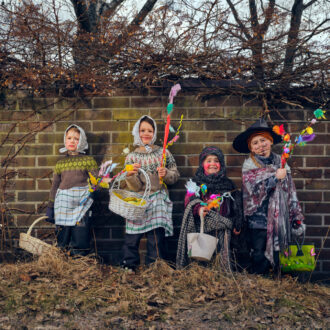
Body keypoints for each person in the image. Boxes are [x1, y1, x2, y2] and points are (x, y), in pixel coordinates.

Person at [232, 118, 305, 275]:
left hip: (279, 219)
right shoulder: (249, 167)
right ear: (251, 148)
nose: (260, 145)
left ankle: (277, 288)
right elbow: (253, 193)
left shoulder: (282, 162)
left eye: (263, 140)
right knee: (259, 255)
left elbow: (291, 191)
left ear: (271, 141)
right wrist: (274, 178)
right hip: (258, 220)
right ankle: (260, 287)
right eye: (255, 143)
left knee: (280, 255)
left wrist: (296, 215)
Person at [120, 115, 180, 271]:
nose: (146, 133)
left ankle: (155, 265)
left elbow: (175, 176)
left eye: (150, 130)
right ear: (137, 132)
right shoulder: (132, 157)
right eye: (142, 130)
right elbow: (135, 187)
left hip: (158, 196)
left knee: (156, 236)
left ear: (154, 133)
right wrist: (130, 175)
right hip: (138, 199)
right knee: (132, 235)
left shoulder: (163, 153)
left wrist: (165, 173)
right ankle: (129, 264)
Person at [176, 146, 243, 270]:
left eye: (216, 161)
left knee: (220, 257)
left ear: (221, 164)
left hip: (223, 229)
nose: (213, 164)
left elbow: (237, 205)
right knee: (203, 259)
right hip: (203, 226)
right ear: (202, 164)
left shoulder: (229, 184)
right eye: (209, 161)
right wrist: (199, 209)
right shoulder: (196, 183)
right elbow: (189, 200)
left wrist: (237, 223)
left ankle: (222, 271)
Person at [46, 124, 98, 256]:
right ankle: (62, 256)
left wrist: (93, 190)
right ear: (65, 140)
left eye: (76, 138)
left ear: (82, 142)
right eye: (69, 138)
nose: (72, 141)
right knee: (63, 233)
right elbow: (55, 186)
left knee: (81, 231)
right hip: (63, 202)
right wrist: (51, 206)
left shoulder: (88, 160)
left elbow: (96, 180)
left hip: (81, 201)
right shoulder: (61, 164)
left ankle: (79, 258)